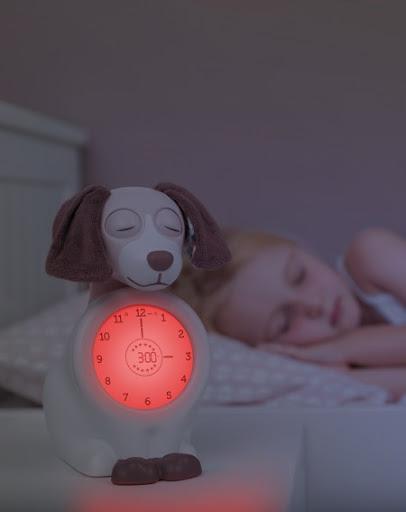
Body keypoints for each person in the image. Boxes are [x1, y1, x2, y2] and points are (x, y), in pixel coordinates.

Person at [170, 227, 406, 401]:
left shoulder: (371, 254)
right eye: (285, 323)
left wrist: (339, 349)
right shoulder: (328, 372)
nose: (313, 303)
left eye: (299, 276)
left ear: (300, 249)